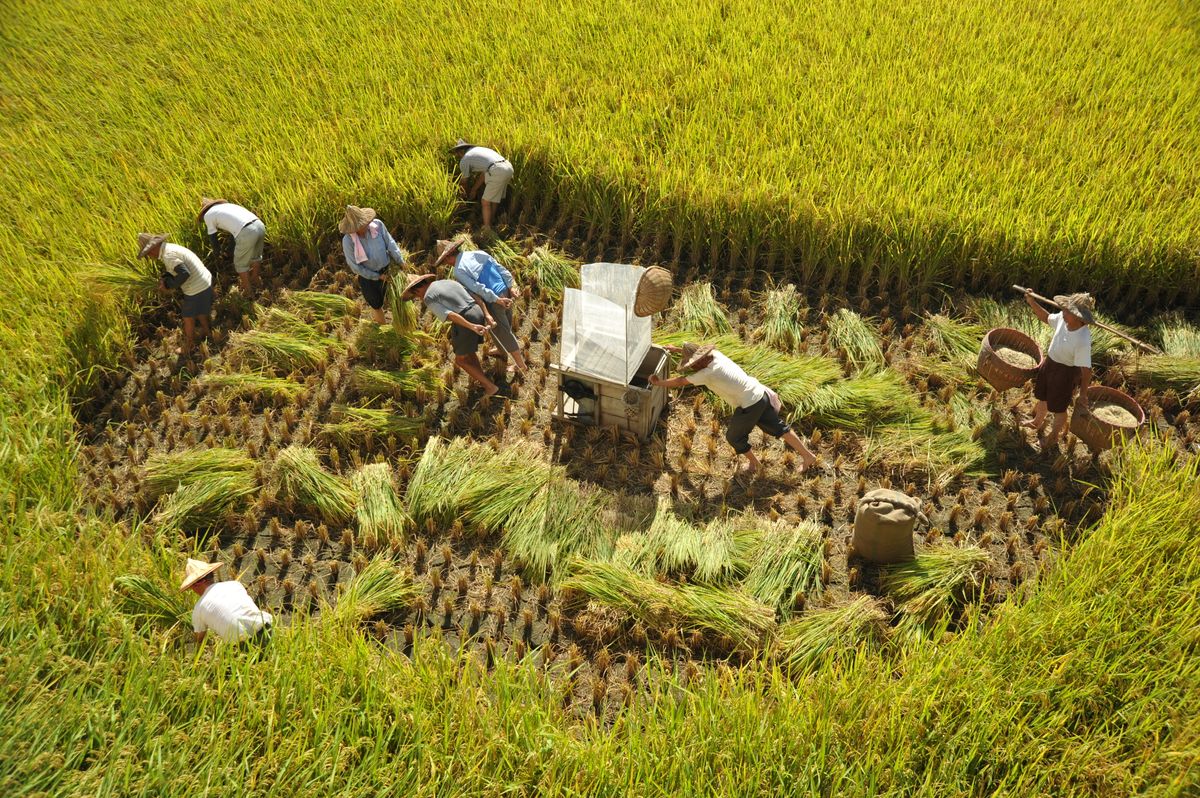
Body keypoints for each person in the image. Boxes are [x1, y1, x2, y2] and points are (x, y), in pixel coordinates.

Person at [649, 342, 818, 476]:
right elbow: (696, 355)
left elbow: (680, 381)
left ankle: (754, 464)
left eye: (691, 364)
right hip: (759, 394)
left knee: (734, 437)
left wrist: (658, 383)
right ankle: (808, 456)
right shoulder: (716, 355)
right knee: (780, 428)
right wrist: (678, 350)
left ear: (698, 362)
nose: (691, 367)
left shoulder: (708, 373)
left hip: (750, 405)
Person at [399, 273, 507, 398]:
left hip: (465, 318)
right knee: (469, 353)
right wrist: (486, 314)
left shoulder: (429, 297)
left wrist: (470, 325)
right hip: (477, 311)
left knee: (460, 360)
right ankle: (481, 378)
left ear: (417, 289)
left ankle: (490, 387)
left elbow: (449, 314)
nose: (419, 298)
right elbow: (475, 296)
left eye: (416, 296)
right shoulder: (447, 281)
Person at [433, 238, 528, 376]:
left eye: (445, 261)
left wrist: (496, 300)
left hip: (494, 298)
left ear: (448, 256)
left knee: (503, 331)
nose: (446, 264)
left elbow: (478, 288)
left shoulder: (459, 271)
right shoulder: (477, 253)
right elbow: (499, 267)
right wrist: (510, 286)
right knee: (501, 326)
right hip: (504, 291)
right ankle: (501, 350)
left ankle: (521, 365)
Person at [1021, 290, 1094, 449]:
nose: (1063, 312)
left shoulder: (1083, 339)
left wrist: (1083, 394)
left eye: (1067, 310)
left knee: (1059, 407)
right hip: (1050, 363)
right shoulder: (1063, 318)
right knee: (1043, 397)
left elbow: (1086, 370)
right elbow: (1046, 317)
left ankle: (1053, 436)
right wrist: (1032, 301)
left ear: (1078, 317)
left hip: (1065, 373)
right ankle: (1037, 422)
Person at [138, 233, 213, 358]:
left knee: (188, 316)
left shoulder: (168, 255)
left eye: (148, 253)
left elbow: (184, 273)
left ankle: (189, 345)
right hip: (204, 279)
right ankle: (207, 332)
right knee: (200, 310)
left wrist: (168, 285)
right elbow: (176, 269)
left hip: (196, 286)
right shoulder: (170, 248)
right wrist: (166, 277)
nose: (150, 257)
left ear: (153, 248)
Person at [180, 558, 273, 646]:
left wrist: (196, 654)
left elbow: (199, 638)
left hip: (244, 644)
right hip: (267, 629)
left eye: (191, 587)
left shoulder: (199, 608)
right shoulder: (235, 584)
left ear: (197, 584)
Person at [340, 205, 405, 325]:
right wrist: (377, 277)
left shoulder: (377, 225)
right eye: (359, 227)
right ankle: (384, 329)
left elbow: (390, 243)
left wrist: (401, 261)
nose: (363, 228)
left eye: (364, 224)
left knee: (397, 300)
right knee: (376, 304)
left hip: (388, 270)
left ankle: (401, 327)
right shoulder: (348, 241)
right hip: (368, 277)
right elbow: (355, 267)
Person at [198, 198, 266, 296]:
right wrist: (229, 250)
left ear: (204, 210)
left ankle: (248, 290)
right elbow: (234, 231)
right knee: (256, 256)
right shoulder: (228, 207)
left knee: (240, 264)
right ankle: (256, 279)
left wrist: (218, 256)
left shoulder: (208, 215)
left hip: (246, 231)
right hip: (259, 225)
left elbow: (213, 240)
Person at [450, 139, 513, 230]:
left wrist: (466, 196)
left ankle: (487, 228)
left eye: (456, 154)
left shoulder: (464, 159)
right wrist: (474, 190)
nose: (457, 156)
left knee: (485, 201)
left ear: (460, 152)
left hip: (496, 169)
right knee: (494, 199)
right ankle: (491, 220)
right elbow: (484, 173)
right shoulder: (479, 151)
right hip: (508, 167)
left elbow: (463, 182)